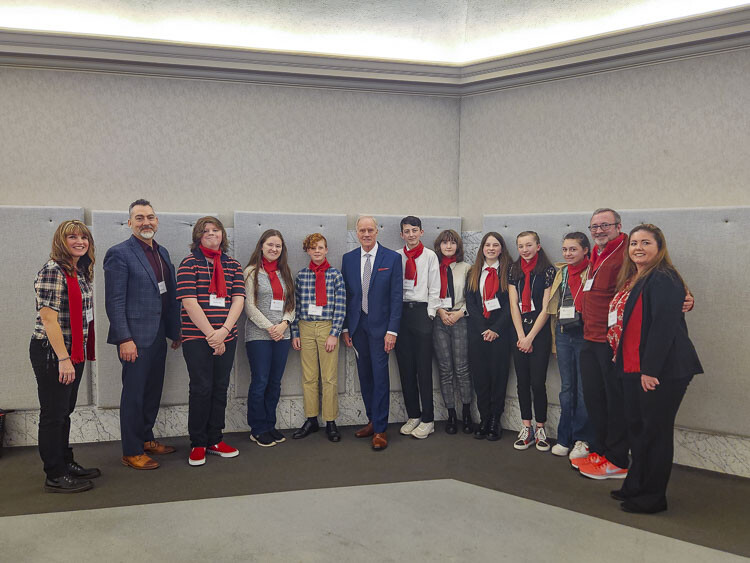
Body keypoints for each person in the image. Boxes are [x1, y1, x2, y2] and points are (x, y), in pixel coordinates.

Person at [608, 224, 702, 513]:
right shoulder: (635, 277)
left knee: (656, 433)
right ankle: (635, 486)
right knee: (638, 430)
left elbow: (663, 327)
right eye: (634, 242)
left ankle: (653, 498)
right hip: (633, 366)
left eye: (646, 242)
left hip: (662, 370)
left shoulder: (663, 277)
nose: (638, 247)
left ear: (659, 248)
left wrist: (650, 370)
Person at [104, 199, 181, 470]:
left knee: (152, 391)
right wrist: (124, 339)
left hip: (158, 334)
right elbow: (114, 301)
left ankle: (146, 439)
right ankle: (132, 450)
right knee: (134, 394)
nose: (145, 222)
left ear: (157, 221)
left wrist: (175, 332)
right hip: (134, 339)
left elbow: (170, 295)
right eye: (139, 218)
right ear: (129, 223)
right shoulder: (120, 253)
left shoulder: (162, 253)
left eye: (150, 217)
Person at [30, 220, 99, 492]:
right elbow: (49, 321)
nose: (79, 241)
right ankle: (55, 473)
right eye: (72, 237)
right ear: (61, 241)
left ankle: (64, 460)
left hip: (72, 351)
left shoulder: (78, 271)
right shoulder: (53, 271)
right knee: (53, 414)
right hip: (53, 352)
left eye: (84, 237)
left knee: (64, 411)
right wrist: (63, 358)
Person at [177, 217, 245, 466]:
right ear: (198, 236)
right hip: (197, 338)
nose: (211, 234)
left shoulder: (233, 265)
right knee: (201, 388)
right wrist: (211, 335)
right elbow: (189, 301)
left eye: (216, 230)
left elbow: (238, 299)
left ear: (222, 235)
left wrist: (224, 331)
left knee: (220, 387)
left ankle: (215, 438)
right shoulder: (189, 263)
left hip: (227, 336)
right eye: (205, 231)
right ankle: (197, 443)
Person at [341, 216, 402, 451]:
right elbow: (347, 295)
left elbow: (397, 297)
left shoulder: (392, 258)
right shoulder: (348, 259)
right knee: (364, 375)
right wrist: (346, 328)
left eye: (370, 230)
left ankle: (380, 429)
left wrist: (392, 331)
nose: (366, 234)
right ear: (356, 233)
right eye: (362, 230)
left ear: (377, 231)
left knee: (380, 377)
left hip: (381, 329)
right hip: (358, 327)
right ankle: (371, 419)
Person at [291, 233, 346, 442]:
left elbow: (341, 307)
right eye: (313, 248)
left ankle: (331, 421)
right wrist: (295, 333)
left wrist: (335, 334)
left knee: (329, 377)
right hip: (305, 327)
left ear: (326, 250)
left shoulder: (335, 275)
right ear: (307, 251)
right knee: (309, 377)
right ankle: (311, 419)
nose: (317, 251)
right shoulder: (301, 275)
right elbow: (295, 306)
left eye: (320, 247)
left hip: (327, 327)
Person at [244, 229, 295, 447]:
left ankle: (270, 424)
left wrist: (283, 325)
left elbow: (291, 305)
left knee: (275, 383)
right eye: (270, 245)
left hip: (283, 335)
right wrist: (270, 328)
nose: (274, 249)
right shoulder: (251, 272)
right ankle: (257, 428)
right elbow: (249, 306)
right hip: (258, 336)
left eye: (278, 246)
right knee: (260, 381)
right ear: (261, 246)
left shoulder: (285, 273)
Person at [546, 232, 593, 460]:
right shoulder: (562, 272)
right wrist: (555, 342)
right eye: (565, 249)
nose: (568, 253)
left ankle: (582, 439)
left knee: (584, 390)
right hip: (564, 334)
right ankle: (564, 437)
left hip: (585, 335)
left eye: (573, 249)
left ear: (585, 250)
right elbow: (553, 308)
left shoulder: (594, 271)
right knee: (567, 389)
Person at [508, 231, 556, 451]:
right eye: (520, 246)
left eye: (529, 245)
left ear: (538, 246)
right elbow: (513, 304)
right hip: (519, 332)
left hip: (539, 332)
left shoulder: (547, 271)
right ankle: (525, 427)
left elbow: (546, 308)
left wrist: (530, 337)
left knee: (537, 382)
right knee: (522, 382)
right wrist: (520, 336)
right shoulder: (513, 270)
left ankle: (540, 428)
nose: (524, 249)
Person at [395, 216, 440, 439]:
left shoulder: (430, 256)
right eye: (406, 231)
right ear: (401, 234)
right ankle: (413, 414)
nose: (411, 234)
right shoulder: (397, 256)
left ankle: (428, 418)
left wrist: (430, 315)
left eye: (414, 230)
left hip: (422, 313)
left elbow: (435, 288)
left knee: (423, 368)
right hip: (401, 314)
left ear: (421, 232)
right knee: (405, 367)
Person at [465, 232, 513, 441]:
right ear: (482, 248)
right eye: (487, 245)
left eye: (495, 245)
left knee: (498, 377)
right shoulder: (474, 272)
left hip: (500, 334)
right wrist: (483, 328)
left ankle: (495, 420)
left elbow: (511, 306)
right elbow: (471, 303)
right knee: (481, 379)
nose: (491, 248)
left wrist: (496, 329)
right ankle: (484, 419)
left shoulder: (509, 272)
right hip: (478, 334)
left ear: (501, 248)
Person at [432, 229, 473, 434]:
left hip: (460, 319)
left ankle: (466, 412)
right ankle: (451, 414)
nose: (448, 246)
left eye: (452, 243)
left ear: (458, 246)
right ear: (439, 246)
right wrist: (440, 312)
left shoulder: (466, 268)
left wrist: (460, 313)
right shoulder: (433, 267)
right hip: (439, 320)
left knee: (462, 369)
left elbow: (473, 297)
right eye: (444, 243)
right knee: (445, 369)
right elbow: (429, 293)